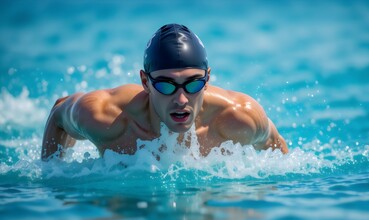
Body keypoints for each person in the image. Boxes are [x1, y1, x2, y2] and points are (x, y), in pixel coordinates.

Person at [41, 24, 288, 161]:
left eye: (193, 84)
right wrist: (54, 176)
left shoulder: (239, 117)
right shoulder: (105, 116)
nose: (181, 100)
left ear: (208, 79)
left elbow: (278, 152)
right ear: (145, 82)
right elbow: (59, 114)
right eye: (165, 85)